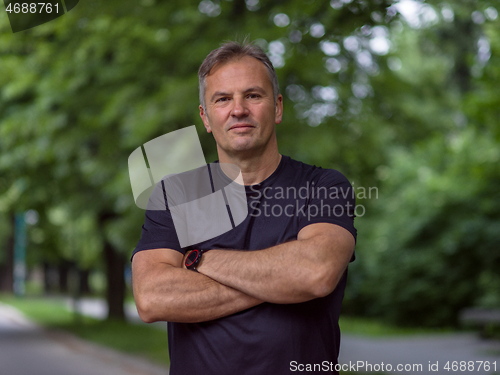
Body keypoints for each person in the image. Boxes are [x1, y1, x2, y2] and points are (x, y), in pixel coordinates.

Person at [131, 41, 357, 375]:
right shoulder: (176, 194)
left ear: (277, 108)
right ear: (205, 117)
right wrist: (281, 283)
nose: (238, 110)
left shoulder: (323, 187)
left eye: (253, 95)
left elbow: (315, 273)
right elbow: (151, 298)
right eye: (222, 99)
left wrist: (197, 261)